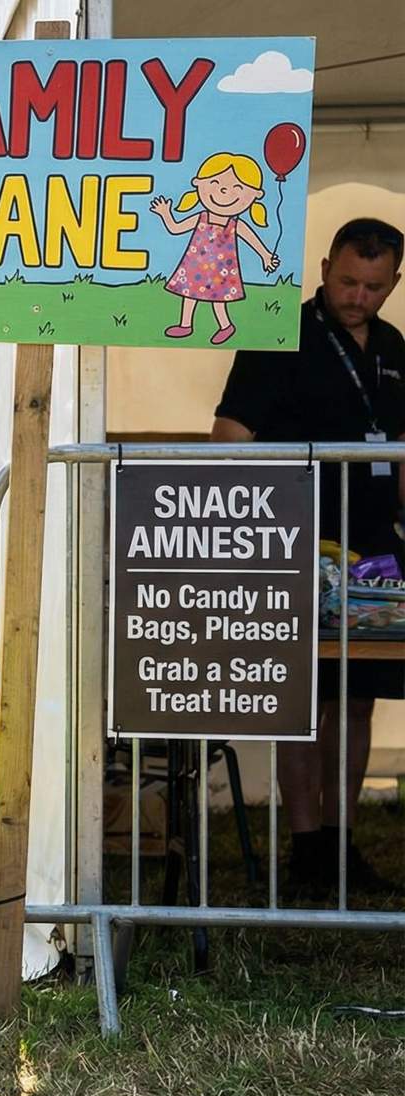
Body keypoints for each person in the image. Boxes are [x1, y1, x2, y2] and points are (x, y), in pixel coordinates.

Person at [211, 216, 405, 894]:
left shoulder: (394, 347)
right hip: (296, 546)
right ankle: (305, 848)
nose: (358, 296)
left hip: (375, 553)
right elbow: (228, 438)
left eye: (375, 286)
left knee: (356, 701)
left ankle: (341, 842)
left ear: (394, 282)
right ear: (324, 267)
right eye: (348, 280)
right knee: (304, 698)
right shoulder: (277, 336)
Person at [151, 152, 280, 345]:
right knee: (188, 293)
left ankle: (226, 326)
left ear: (255, 195)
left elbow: (253, 240)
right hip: (195, 267)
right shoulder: (201, 217)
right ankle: (185, 324)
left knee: (219, 299)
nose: (224, 192)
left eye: (238, 188)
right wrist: (165, 213)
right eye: (215, 184)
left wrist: (266, 255)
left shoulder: (235, 224)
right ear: (199, 183)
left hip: (221, 269)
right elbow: (175, 228)